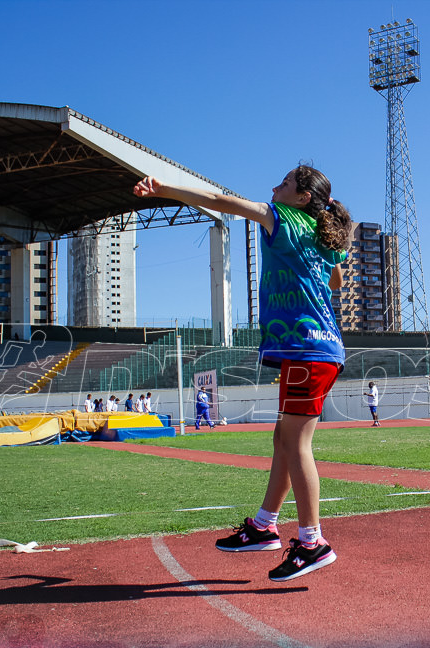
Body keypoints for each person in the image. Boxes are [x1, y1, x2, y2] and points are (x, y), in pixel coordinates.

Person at [135, 164, 350, 582]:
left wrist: (164, 188)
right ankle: (264, 525)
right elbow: (338, 282)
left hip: (308, 347)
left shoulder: (279, 216)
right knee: (283, 439)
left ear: (303, 197)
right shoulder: (324, 236)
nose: (277, 183)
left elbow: (220, 202)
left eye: (287, 182)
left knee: (296, 443)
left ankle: (312, 543)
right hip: (314, 348)